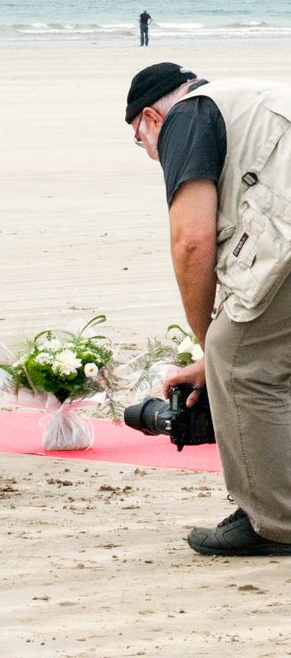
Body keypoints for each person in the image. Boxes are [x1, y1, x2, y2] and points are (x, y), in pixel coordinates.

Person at [124, 61, 291, 557]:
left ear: (151, 119)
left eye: (140, 141)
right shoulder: (250, 97)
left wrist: (211, 350)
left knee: (241, 365)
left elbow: (191, 241)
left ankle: (274, 522)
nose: (150, 154)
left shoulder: (187, 117)